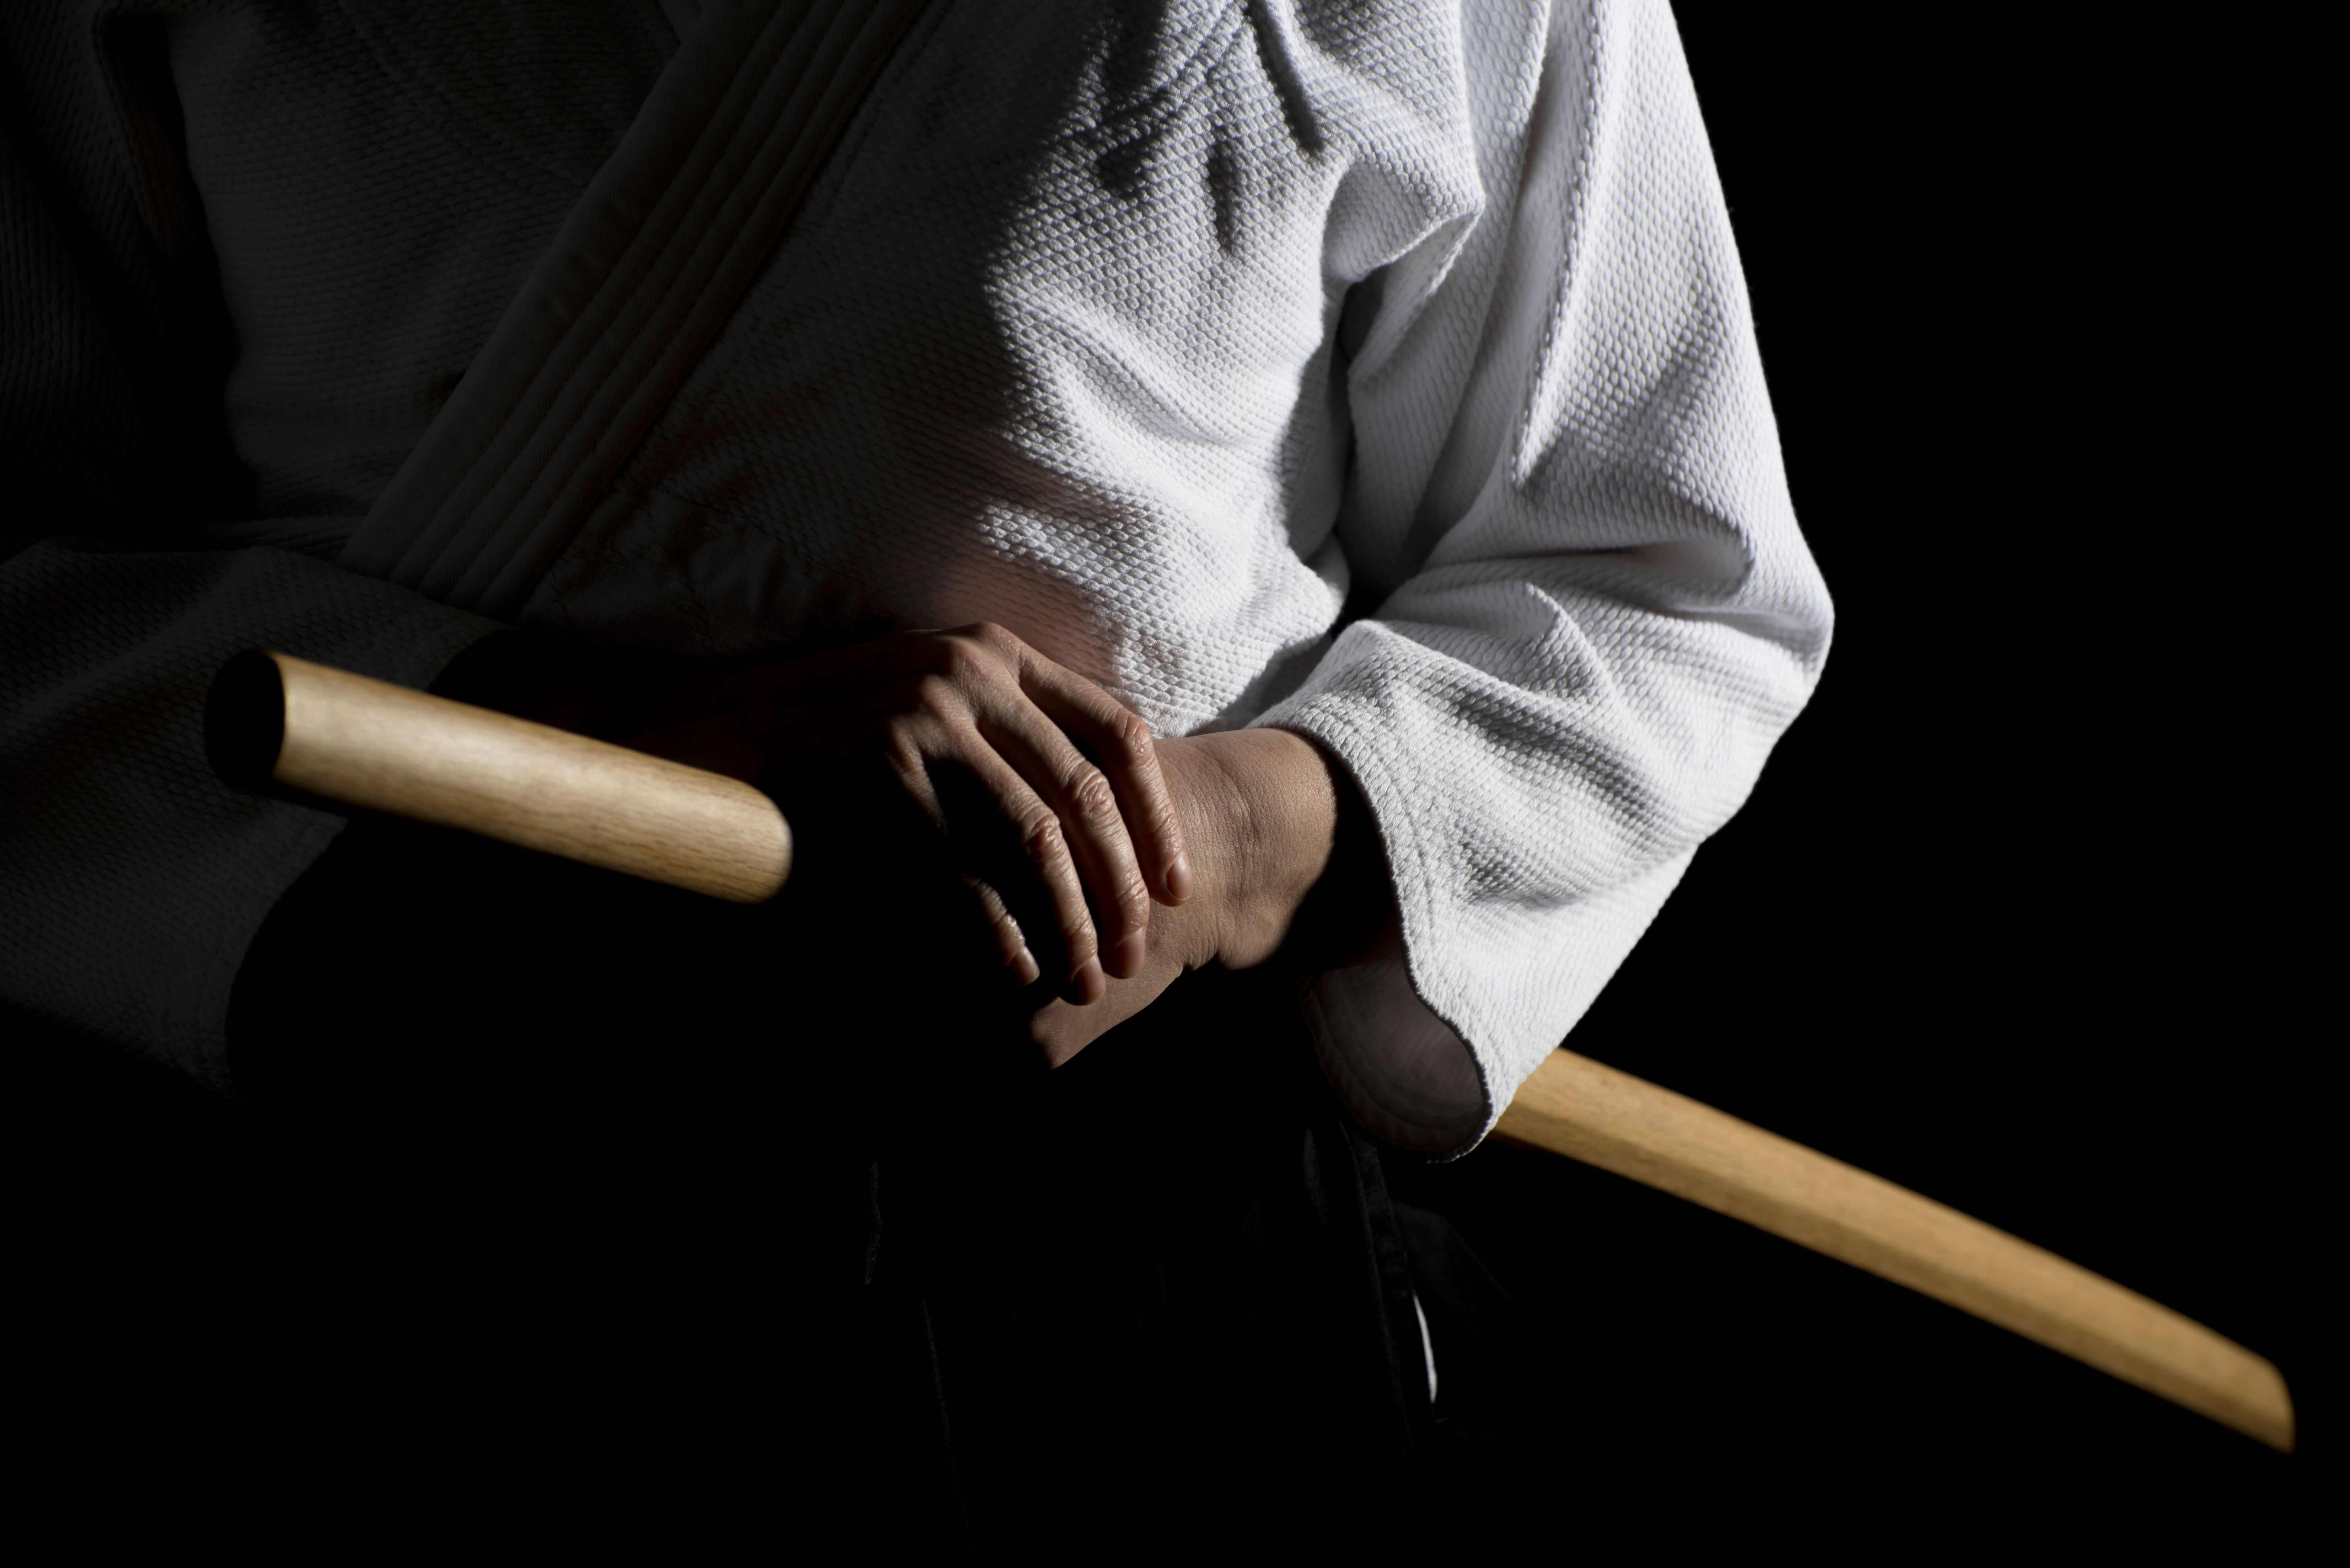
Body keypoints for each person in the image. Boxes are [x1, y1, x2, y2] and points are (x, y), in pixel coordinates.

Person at [2, 0, 1830, 1547]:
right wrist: (591, 722)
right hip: (388, 1119)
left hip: (1127, 1211)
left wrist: (1217, 835)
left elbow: (1654, 583)